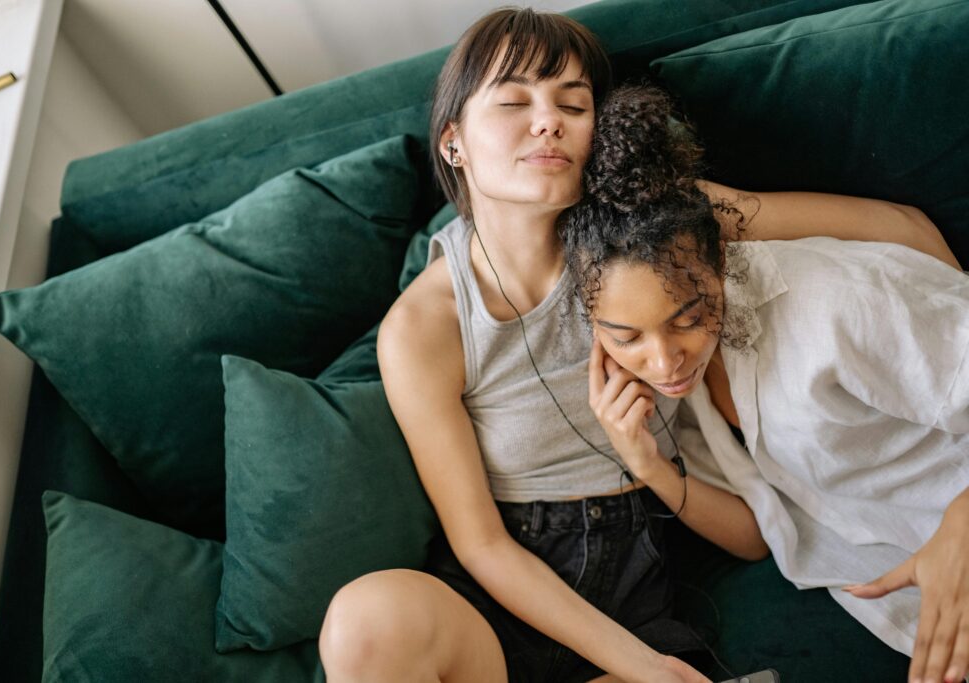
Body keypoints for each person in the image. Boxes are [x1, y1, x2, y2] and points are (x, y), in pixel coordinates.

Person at [318, 9, 962, 683]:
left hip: (639, 572)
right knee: (366, 620)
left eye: (573, 102)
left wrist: (951, 324)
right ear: (453, 142)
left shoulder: (650, 232)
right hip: (510, 584)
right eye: (514, 101)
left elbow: (896, 225)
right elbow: (479, 543)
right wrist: (644, 665)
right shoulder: (424, 326)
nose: (549, 120)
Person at [559, 82, 968, 683]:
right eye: (626, 336)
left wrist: (962, 522)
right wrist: (645, 464)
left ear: (720, 263)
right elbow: (758, 535)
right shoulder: (670, 395)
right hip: (919, 617)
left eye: (691, 317)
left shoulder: (833, 305)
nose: (667, 359)